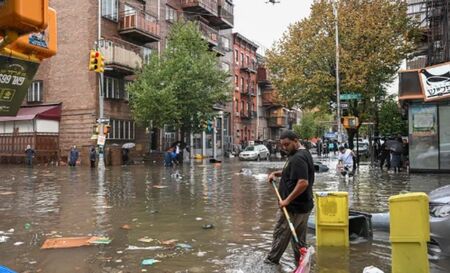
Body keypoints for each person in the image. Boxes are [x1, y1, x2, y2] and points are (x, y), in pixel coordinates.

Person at [265, 130, 315, 266]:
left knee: (280, 234)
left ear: (295, 140)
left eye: (287, 144)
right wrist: (276, 173)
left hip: (293, 208)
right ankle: (302, 263)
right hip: (304, 206)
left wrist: (287, 200)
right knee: (298, 239)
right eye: (282, 145)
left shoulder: (298, 158)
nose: (284, 148)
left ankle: (271, 262)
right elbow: (292, 172)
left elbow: (303, 182)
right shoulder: (302, 154)